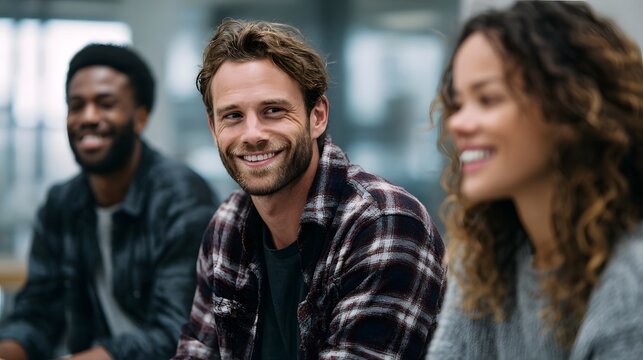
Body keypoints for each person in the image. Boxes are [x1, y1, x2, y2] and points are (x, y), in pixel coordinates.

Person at [173, 19, 445, 359]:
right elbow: (196, 352)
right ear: (213, 129)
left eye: (273, 110)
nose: (252, 133)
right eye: (233, 116)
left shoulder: (384, 223)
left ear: (317, 116)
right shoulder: (228, 225)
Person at [428, 1, 643, 359]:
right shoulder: (485, 260)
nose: (457, 123)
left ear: (570, 107)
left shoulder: (631, 279)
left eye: (488, 99)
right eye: (459, 103)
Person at [0, 44, 218, 360]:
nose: (88, 117)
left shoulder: (181, 198)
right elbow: (37, 313)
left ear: (140, 117)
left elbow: (180, 332)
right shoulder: (62, 203)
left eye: (106, 104)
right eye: (76, 105)